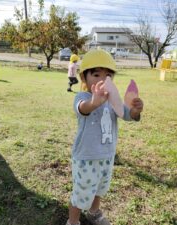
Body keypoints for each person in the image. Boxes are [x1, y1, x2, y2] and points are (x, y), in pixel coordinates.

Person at [66, 49, 144, 225]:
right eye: (96, 74)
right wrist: (94, 102)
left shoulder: (113, 99)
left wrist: (135, 111)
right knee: (82, 193)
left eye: (108, 75)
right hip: (86, 157)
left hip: (107, 156)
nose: (103, 79)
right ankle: (73, 221)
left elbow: (126, 114)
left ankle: (94, 212)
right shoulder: (83, 96)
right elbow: (82, 108)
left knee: (99, 188)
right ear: (84, 78)